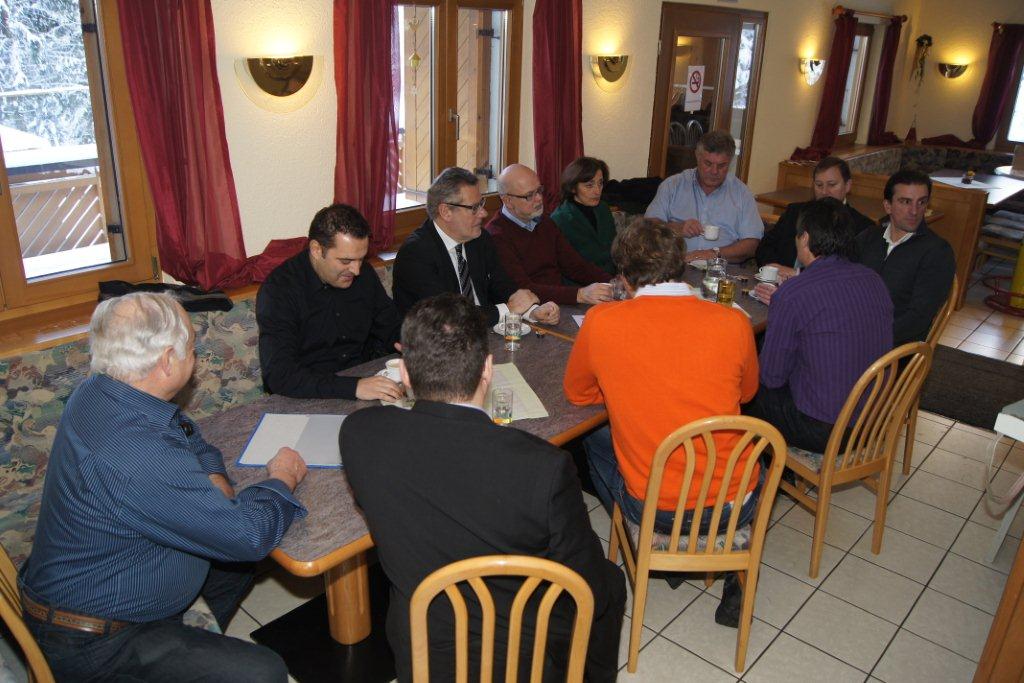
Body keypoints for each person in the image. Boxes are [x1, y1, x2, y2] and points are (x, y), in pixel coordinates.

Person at [20, 292, 308, 682]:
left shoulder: (103, 391)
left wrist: (215, 479)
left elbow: (188, 434)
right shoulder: (138, 453)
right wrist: (281, 478)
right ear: (168, 360)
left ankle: (194, 645)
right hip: (97, 639)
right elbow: (249, 536)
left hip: (96, 580)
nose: (196, 356)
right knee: (264, 672)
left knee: (234, 566)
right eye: (192, 347)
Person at [343, 293, 624, 682]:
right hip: (522, 654)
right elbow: (585, 583)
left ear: (405, 373)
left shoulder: (359, 434)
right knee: (610, 581)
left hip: (425, 646)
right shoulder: (544, 466)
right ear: (488, 369)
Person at [563, 218, 759, 627]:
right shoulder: (733, 321)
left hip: (660, 506)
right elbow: (746, 394)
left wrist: (624, 390)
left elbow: (578, 395)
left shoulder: (602, 321)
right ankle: (734, 569)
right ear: (681, 264)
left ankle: (653, 550)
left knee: (596, 440)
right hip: (733, 501)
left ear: (623, 275)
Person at [747, 199, 893, 453]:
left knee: (742, 390)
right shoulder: (874, 280)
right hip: (872, 422)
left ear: (804, 238)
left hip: (825, 430)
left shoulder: (794, 292)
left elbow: (772, 377)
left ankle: (762, 468)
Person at [257, 203, 404, 402]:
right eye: (345, 261)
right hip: (305, 394)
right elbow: (279, 374)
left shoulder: (364, 275)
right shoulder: (280, 290)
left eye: (361, 259)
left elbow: (391, 324)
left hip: (361, 379)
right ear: (317, 250)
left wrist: (415, 345)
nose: (356, 270)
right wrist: (354, 387)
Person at [393, 167, 561, 326]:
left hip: (484, 331)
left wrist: (531, 311)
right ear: (446, 212)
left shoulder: (479, 239)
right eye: (474, 208)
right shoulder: (415, 254)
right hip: (437, 341)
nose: (484, 213)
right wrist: (508, 310)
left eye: (481, 204)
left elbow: (501, 285)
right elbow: (448, 317)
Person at [486, 163, 613, 305]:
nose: (539, 198)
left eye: (539, 190)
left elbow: (574, 265)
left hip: (559, 302)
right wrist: (579, 294)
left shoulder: (544, 222)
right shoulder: (496, 236)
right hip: (529, 310)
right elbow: (522, 289)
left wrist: (613, 282)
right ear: (507, 201)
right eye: (529, 195)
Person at [856, 170, 956, 346]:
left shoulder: (937, 252)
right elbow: (839, 278)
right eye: (905, 202)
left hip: (894, 347)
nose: (914, 211)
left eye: (921, 202)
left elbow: (918, 319)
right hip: (854, 330)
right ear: (887, 206)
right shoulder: (869, 237)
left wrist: (868, 336)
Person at [644, 130, 763, 263]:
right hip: (676, 264)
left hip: (721, 267)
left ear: (730, 162)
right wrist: (678, 228)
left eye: (722, 166)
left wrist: (714, 254)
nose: (714, 171)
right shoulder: (673, 185)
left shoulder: (742, 193)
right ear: (697, 157)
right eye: (708, 164)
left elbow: (752, 244)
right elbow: (647, 227)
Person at [755, 156, 875, 275]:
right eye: (819, 185)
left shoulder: (863, 227)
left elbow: (852, 270)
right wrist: (774, 270)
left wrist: (797, 274)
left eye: (832, 185)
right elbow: (765, 247)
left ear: (847, 185)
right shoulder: (794, 212)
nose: (824, 191)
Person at [551, 157, 618, 274]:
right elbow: (567, 265)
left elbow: (614, 247)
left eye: (600, 183)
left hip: (611, 276)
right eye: (589, 185)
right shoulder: (560, 219)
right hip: (581, 280)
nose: (597, 191)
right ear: (573, 188)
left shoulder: (603, 208)